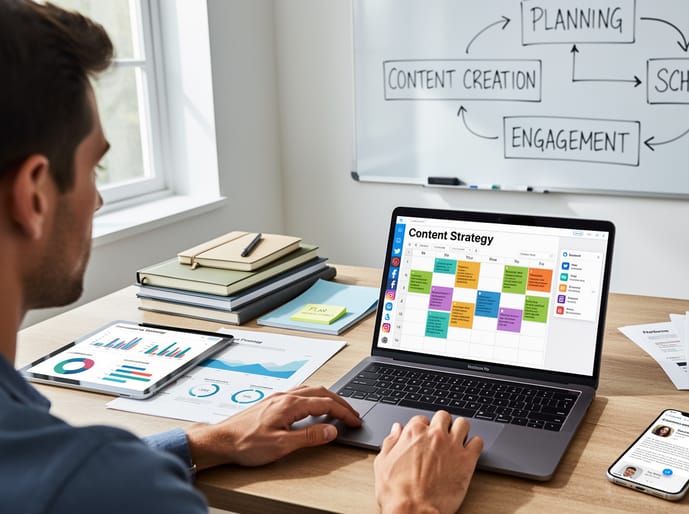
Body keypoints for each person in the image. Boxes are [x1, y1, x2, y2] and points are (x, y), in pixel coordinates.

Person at [0, 2, 482, 513]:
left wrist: (210, 441)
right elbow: (99, 484)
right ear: (34, 196)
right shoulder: (106, 488)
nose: (97, 199)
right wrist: (413, 504)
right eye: (95, 168)